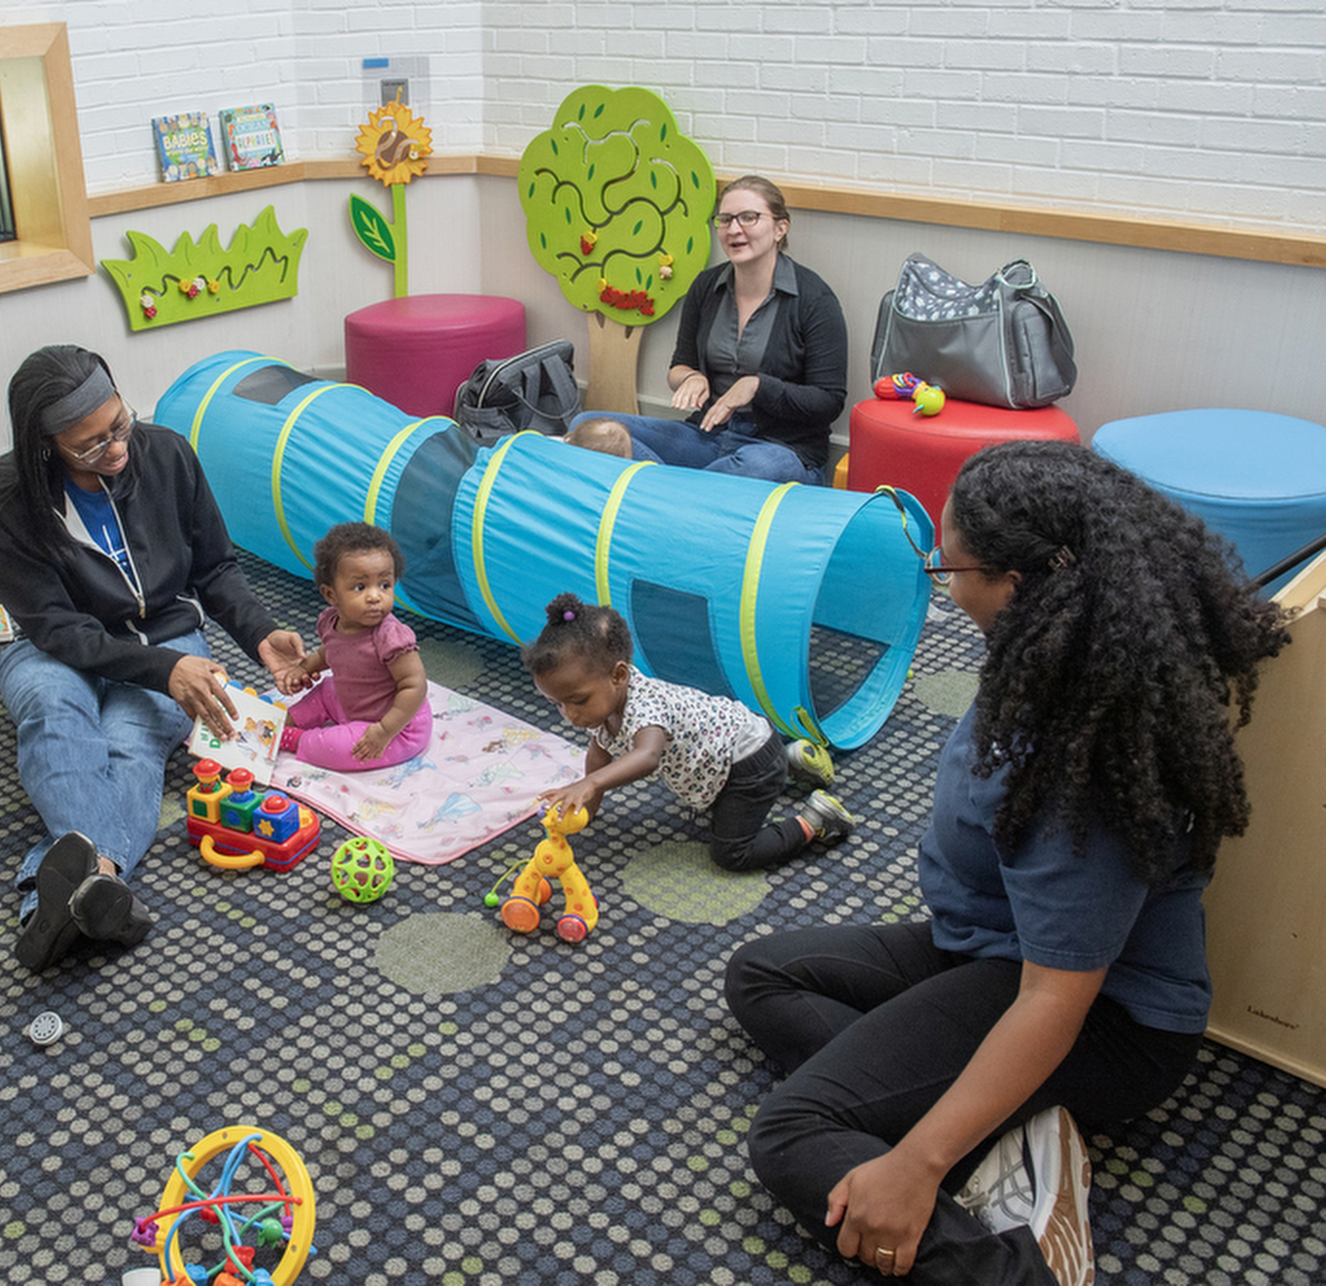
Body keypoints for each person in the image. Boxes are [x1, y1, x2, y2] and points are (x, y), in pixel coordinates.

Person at [723, 441, 1291, 1285]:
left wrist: (917, 1161)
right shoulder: (1063, 649)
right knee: (763, 976)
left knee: (790, 1137)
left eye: (949, 563)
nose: (940, 577)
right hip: (994, 945)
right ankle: (1000, 1130)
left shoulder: (1076, 765)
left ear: (1019, 581)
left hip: (1101, 1015)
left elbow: (1056, 1000)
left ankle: (1017, 1261)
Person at [0, 345, 305, 972]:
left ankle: (68, 889)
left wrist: (258, 632)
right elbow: (52, 624)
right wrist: (162, 671)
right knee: (55, 711)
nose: (114, 447)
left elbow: (214, 567)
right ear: (45, 444)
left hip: (166, 635)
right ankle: (97, 884)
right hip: (56, 648)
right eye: (89, 443)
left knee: (130, 736)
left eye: (119, 424)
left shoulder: (169, 455)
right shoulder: (11, 493)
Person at [524, 593, 853, 872]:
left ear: (619, 675)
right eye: (557, 705)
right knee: (715, 804)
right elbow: (599, 754)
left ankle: (815, 821)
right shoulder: (604, 704)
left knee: (731, 854)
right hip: (736, 748)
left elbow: (647, 756)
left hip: (747, 763)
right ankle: (789, 761)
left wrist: (590, 784)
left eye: (577, 700)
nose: (570, 714)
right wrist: (587, 809)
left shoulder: (645, 706)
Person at [566, 175, 847, 485]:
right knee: (590, 426)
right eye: (725, 220)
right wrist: (691, 377)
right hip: (708, 437)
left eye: (749, 218)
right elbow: (679, 367)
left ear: (780, 228)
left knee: (760, 468)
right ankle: (691, 493)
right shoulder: (706, 286)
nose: (734, 229)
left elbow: (828, 401)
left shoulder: (814, 299)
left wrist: (757, 387)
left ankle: (665, 491)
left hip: (778, 449)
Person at [276, 522, 430, 771]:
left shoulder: (391, 636)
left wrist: (384, 730)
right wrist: (302, 669)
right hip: (351, 705)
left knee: (341, 748)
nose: (374, 596)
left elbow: (415, 685)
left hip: (396, 728)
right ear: (331, 595)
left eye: (384, 585)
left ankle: (294, 739)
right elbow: (331, 652)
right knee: (326, 690)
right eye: (360, 587)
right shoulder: (331, 621)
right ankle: (281, 721)